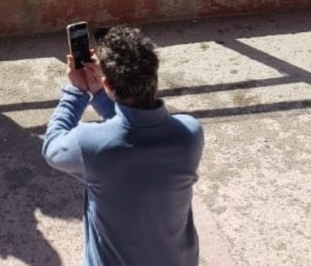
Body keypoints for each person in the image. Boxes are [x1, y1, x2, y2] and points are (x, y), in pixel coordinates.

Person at [43, 25, 204, 266]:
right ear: (154, 77)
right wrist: (102, 94)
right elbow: (138, 130)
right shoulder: (189, 135)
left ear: (108, 83)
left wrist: (76, 92)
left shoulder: (90, 145)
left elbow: (52, 148)